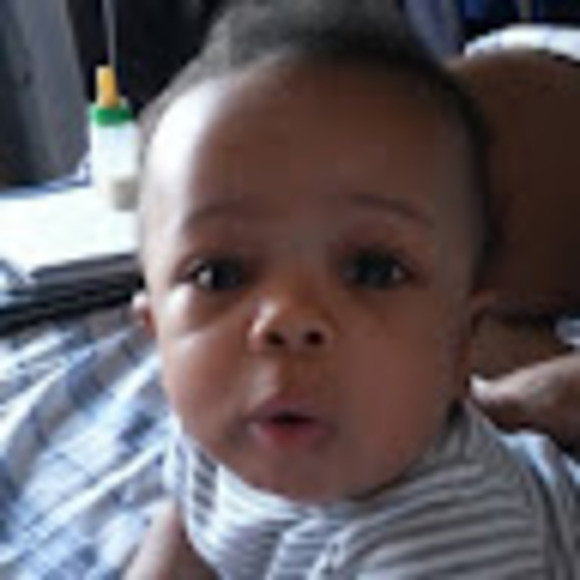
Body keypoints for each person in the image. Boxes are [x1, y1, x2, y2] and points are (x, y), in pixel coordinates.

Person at [126, 3, 579, 577]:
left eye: (372, 271)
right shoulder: (225, 422)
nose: (287, 319)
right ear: (157, 335)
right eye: (219, 275)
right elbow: (188, 521)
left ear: (461, 344)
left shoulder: (444, 542)